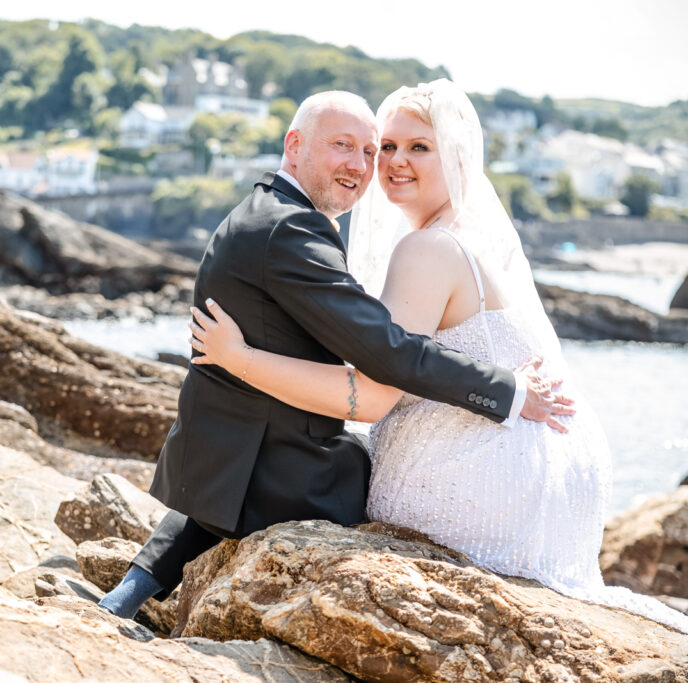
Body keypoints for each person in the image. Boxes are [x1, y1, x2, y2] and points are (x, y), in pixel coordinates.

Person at [189, 79, 688, 632]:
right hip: (541, 465)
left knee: (312, 471)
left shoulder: (427, 248)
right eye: (388, 147)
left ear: (455, 156)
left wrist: (238, 359)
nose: (394, 162)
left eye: (417, 147)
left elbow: (373, 397)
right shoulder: (458, 237)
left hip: (487, 470)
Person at [99, 90, 571, 620]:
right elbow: (386, 351)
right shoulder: (291, 230)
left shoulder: (266, 214)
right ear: (293, 145)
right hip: (285, 477)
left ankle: (130, 591)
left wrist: (240, 358)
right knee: (374, 471)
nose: (366, 165)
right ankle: (127, 594)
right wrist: (507, 391)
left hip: (230, 462)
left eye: (371, 151)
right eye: (347, 146)